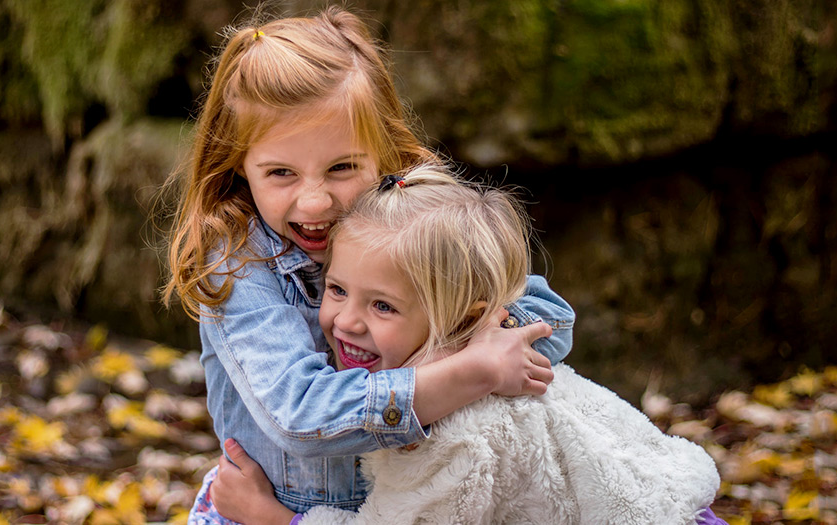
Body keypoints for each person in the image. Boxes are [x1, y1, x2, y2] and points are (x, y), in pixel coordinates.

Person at [160, 7, 576, 522]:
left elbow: (548, 322)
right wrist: (469, 371)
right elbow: (302, 415)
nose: (314, 203)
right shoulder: (239, 264)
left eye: (341, 167)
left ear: (382, 152)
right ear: (238, 166)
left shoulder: (409, 222)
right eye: (281, 173)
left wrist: (463, 348)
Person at [210, 166, 726, 525]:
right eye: (337, 289)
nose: (346, 321)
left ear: (466, 319)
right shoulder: (484, 359)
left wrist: (273, 518)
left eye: (383, 307)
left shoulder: (462, 431)